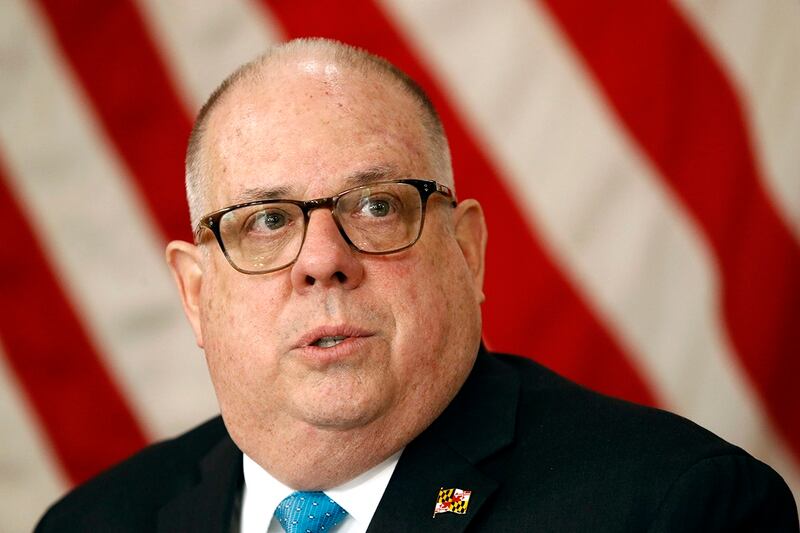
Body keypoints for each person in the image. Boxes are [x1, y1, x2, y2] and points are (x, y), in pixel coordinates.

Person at [36, 37, 797, 533]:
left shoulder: (677, 509)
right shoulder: (91, 523)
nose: (321, 259)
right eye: (265, 221)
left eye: (376, 205)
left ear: (467, 252)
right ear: (196, 292)